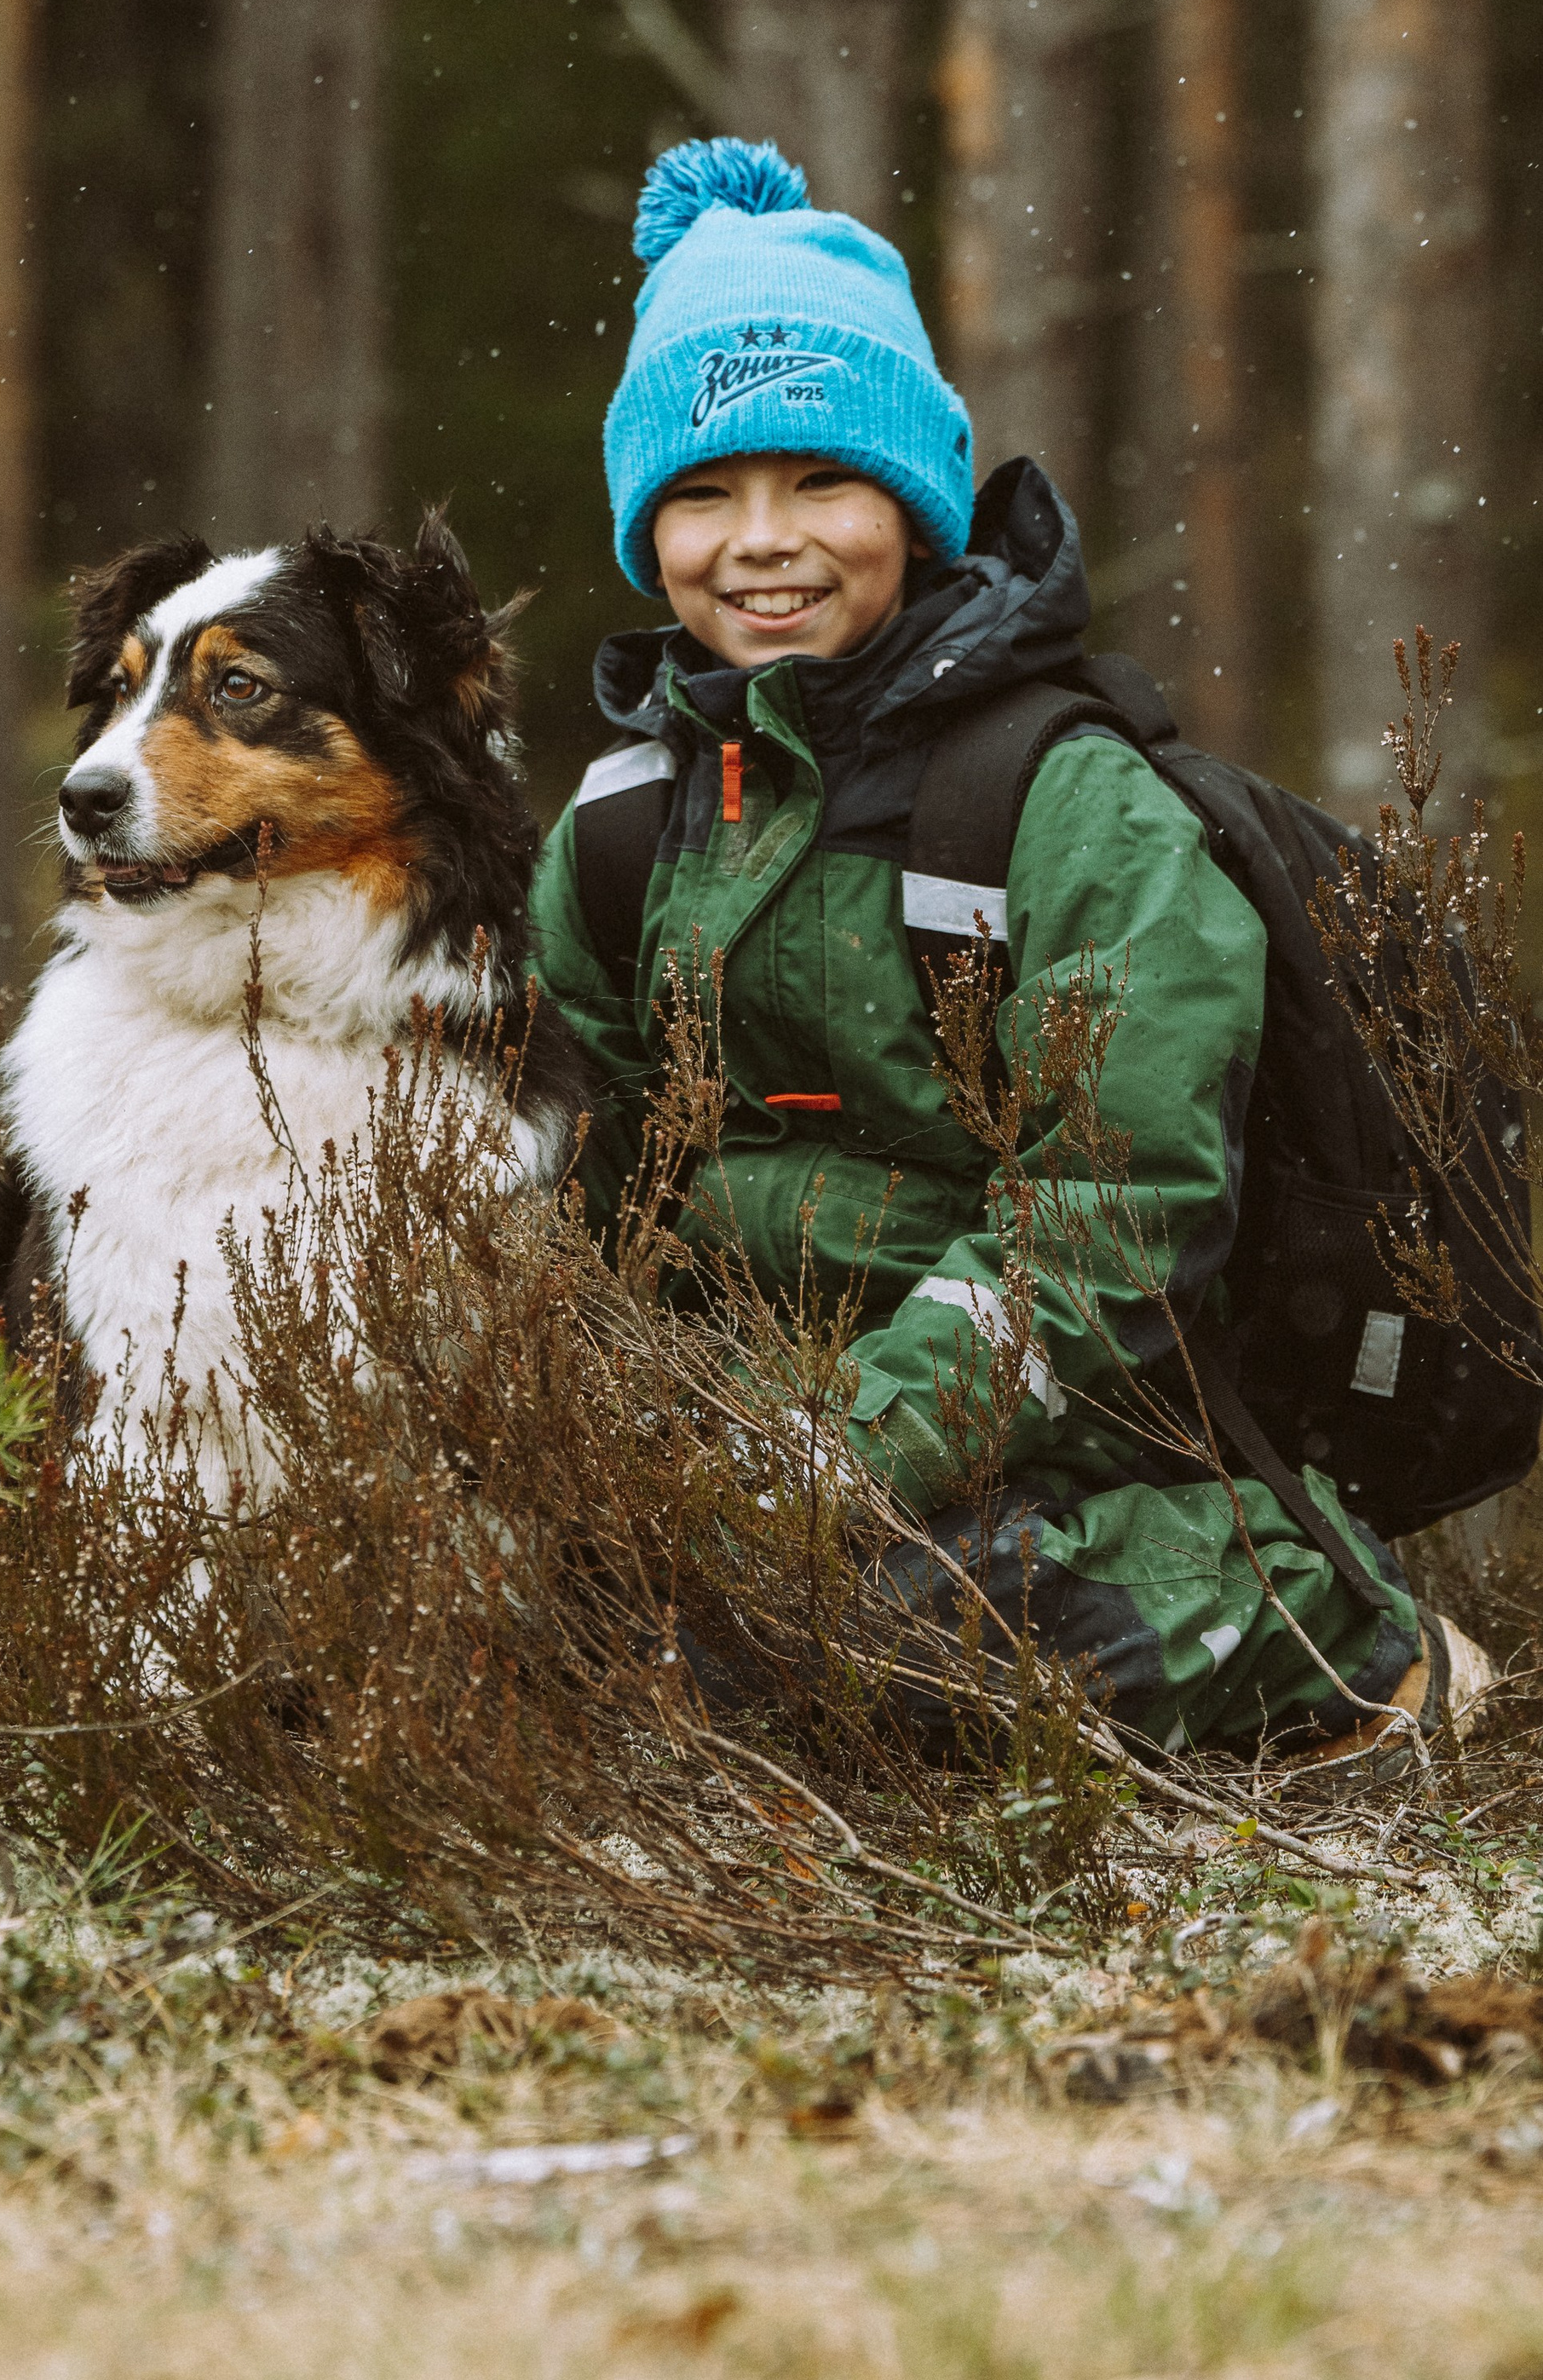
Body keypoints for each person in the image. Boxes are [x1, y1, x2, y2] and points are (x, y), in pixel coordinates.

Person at [527, 135, 1487, 1762]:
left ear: (911, 497)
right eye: (702, 493)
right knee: (551, 1617)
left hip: (1066, 1429)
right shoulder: (623, 832)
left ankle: (1329, 1625)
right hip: (753, 1437)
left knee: (850, 1639)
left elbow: (1117, 1216)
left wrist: (841, 1459)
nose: (760, 538)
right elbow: (570, 1190)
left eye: (820, 480)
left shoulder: (1056, 799)